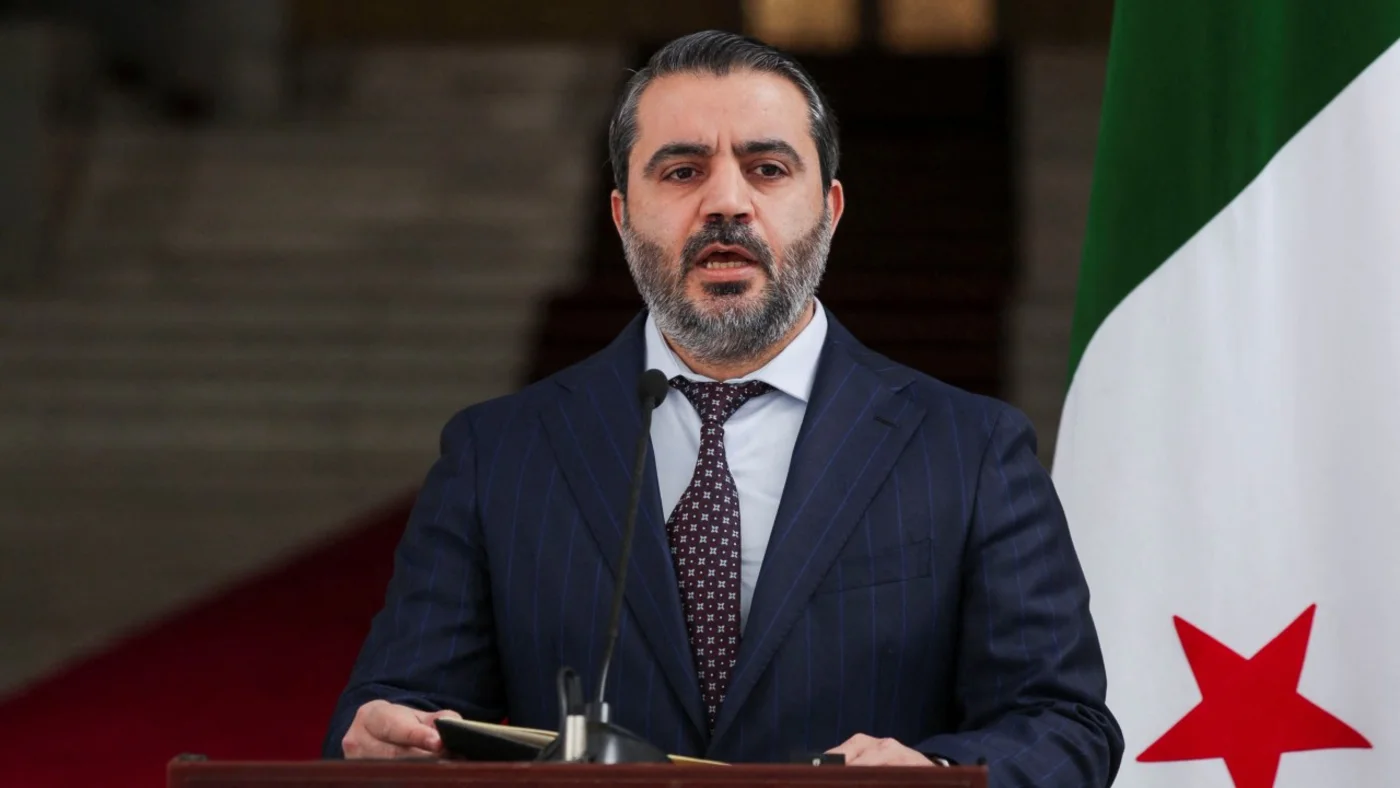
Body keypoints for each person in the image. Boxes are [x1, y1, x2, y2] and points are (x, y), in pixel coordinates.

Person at [322, 30, 1123, 786]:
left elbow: (1063, 723)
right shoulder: (498, 453)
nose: (726, 203)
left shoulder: (970, 448)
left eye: (767, 168)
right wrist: (386, 739)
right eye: (681, 171)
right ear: (621, 215)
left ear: (830, 209)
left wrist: (937, 778)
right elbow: (396, 711)